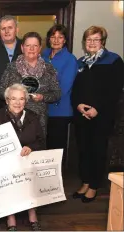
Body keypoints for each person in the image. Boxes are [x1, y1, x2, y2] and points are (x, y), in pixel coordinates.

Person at [71, 26, 124, 203]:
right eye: (88, 39)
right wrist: (78, 105)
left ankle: (94, 185)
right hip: (82, 115)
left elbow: (115, 90)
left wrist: (97, 108)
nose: (92, 43)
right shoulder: (81, 62)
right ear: (84, 42)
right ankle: (85, 182)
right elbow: (75, 88)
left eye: (96, 39)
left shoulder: (114, 61)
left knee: (97, 150)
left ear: (103, 42)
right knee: (83, 150)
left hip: (102, 116)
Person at [0, 84, 45, 231]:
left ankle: (32, 215)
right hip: (6, 162)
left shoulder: (33, 116)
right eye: (13, 99)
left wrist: (31, 147)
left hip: (28, 161)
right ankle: (11, 218)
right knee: (8, 178)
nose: (17, 102)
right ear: (7, 100)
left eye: (21, 99)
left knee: (31, 176)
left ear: (26, 101)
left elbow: (41, 140)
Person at [0, 32, 61, 137]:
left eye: (35, 46)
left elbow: (57, 94)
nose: (31, 49)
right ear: (22, 48)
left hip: (39, 120)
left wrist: (43, 97)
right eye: (28, 45)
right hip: (14, 118)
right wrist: (13, 97)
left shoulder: (48, 69)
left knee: (37, 150)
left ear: (40, 48)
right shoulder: (11, 68)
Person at [42, 24, 78, 165]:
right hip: (43, 108)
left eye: (60, 37)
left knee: (56, 148)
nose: (56, 40)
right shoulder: (43, 55)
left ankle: (56, 182)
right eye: (53, 36)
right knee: (43, 147)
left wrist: (44, 96)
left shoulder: (70, 59)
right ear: (49, 39)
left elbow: (64, 87)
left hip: (60, 110)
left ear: (65, 40)